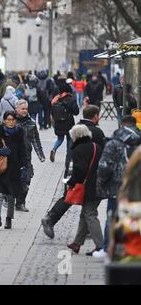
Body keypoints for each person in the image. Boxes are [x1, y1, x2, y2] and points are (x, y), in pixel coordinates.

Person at [41, 105, 107, 239]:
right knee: (87, 199)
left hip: (73, 167)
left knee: (70, 196)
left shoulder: (76, 128)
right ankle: (51, 219)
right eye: (98, 115)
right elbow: (103, 152)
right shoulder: (96, 132)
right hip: (88, 172)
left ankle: (54, 219)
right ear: (95, 116)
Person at [96, 115, 141, 257]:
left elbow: (104, 166)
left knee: (113, 218)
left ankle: (108, 248)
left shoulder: (114, 142)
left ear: (121, 125)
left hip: (118, 188)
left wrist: (100, 184)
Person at [66, 124, 103, 256]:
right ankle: (77, 243)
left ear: (76, 136)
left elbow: (79, 170)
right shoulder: (96, 147)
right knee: (85, 214)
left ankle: (100, 246)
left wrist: (71, 182)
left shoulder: (78, 150)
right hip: (99, 186)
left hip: (88, 188)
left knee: (90, 215)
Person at [0, 111, 28, 230]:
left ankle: (9, 219)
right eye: (8, 120)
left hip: (14, 169)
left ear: (15, 121)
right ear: (4, 120)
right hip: (1, 169)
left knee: (11, 195)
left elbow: (23, 151)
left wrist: (24, 167)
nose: (11, 122)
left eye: (13, 120)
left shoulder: (19, 133)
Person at [15, 100, 45, 212]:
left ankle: (20, 203)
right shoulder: (10, 120)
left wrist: (40, 155)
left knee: (26, 181)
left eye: (26, 109)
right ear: (16, 109)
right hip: (13, 156)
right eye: (22, 108)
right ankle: (8, 198)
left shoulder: (31, 123)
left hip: (26, 156)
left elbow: (35, 139)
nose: (24, 111)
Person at [49, 83, 79, 166]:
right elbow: (76, 112)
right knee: (69, 140)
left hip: (58, 123)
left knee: (60, 139)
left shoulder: (56, 99)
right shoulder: (71, 99)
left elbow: (52, 112)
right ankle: (68, 157)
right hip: (69, 123)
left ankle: (54, 149)